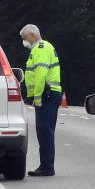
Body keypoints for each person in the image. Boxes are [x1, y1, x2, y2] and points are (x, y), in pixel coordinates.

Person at [21, 24, 62, 177]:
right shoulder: (42, 48)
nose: (24, 41)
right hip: (48, 94)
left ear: (32, 35)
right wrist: (31, 95)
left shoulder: (41, 48)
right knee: (45, 131)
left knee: (44, 131)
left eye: (24, 38)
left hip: (47, 94)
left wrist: (36, 97)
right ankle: (46, 165)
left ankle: (46, 166)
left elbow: (40, 74)